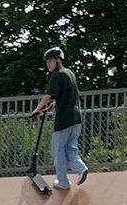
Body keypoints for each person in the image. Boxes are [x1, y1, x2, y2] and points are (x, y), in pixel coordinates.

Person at [30, 48, 88, 193]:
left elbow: (48, 96)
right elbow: (69, 94)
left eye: (51, 60)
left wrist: (36, 110)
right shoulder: (69, 73)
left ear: (58, 60)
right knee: (71, 147)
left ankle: (63, 182)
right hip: (76, 118)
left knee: (58, 150)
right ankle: (81, 168)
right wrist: (55, 104)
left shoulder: (57, 76)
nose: (48, 64)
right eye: (47, 62)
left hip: (64, 120)